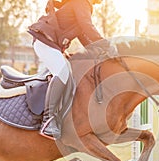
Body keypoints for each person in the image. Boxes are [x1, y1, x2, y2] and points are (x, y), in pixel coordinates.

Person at [28, 0, 107, 140]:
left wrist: (100, 51)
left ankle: (61, 116)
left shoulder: (82, 6)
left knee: (69, 74)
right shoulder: (82, 2)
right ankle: (49, 120)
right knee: (63, 73)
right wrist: (106, 45)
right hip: (45, 42)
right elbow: (87, 26)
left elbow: (84, 36)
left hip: (50, 44)